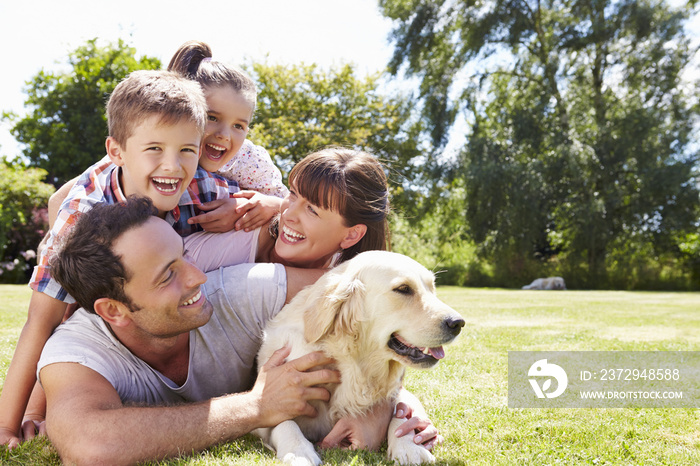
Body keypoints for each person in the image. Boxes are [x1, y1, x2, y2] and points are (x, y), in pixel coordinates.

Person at [38, 197, 436, 463]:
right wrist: (254, 406)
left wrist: (383, 409)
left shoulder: (245, 288)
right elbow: (89, 445)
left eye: (184, 256)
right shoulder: (77, 350)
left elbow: (374, 305)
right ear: (113, 310)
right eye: (167, 276)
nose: (198, 277)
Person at [0, 69, 241, 448]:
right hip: (101, 269)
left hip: (160, 280)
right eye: (155, 149)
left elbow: (278, 210)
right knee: (69, 308)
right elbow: (40, 321)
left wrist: (268, 206)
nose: (173, 166)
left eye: (187, 150)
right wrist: (11, 423)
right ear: (116, 152)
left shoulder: (203, 186)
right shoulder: (82, 215)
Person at [185, 146, 391, 272]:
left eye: (312, 210)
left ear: (352, 235)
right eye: (293, 194)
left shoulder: (351, 290)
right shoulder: (241, 234)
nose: (288, 214)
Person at [168, 40, 288, 233]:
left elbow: (285, 203)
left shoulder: (248, 159)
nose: (224, 135)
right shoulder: (157, 145)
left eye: (238, 126)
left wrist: (260, 205)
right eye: (212, 117)